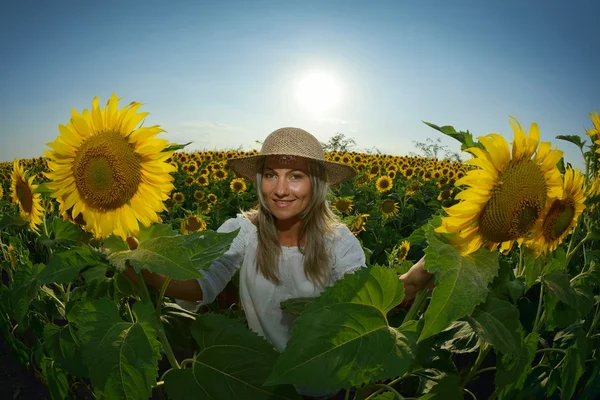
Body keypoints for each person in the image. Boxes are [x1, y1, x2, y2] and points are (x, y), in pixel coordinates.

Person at [127, 127, 432, 399]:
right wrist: (138, 261)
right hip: (260, 382)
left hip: (322, 385)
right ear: (259, 181)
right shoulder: (243, 231)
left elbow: (366, 301)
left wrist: (430, 266)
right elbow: (201, 284)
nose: (281, 189)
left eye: (295, 177)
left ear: (316, 184)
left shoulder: (339, 241)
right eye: (271, 175)